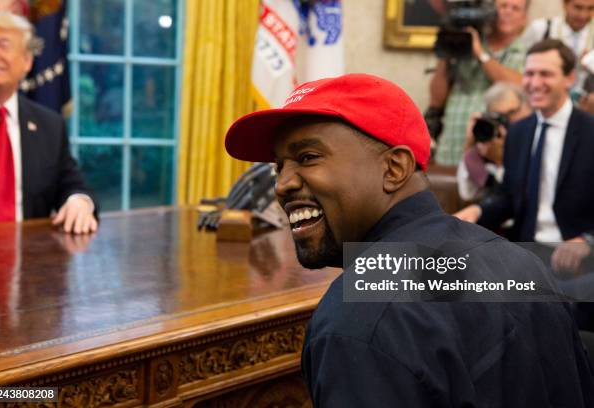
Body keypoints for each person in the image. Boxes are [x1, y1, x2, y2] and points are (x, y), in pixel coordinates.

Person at [224, 73, 594, 406]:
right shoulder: (521, 263)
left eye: (307, 157)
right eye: (278, 166)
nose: (282, 184)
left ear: (394, 168)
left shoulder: (357, 325)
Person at [455, 39, 594, 274]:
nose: (534, 83)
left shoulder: (590, 131)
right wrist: (477, 211)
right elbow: (510, 197)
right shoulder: (519, 132)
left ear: (569, 78)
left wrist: (587, 241)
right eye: (529, 74)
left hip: (580, 262)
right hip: (524, 253)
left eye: (545, 74)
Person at [0, 5, 97, 233]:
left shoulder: (49, 125)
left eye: (3, 45)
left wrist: (79, 201)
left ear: (27, 61)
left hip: (30, 257)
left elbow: (72, 185)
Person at [429, 0, 529, 165]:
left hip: (490, 151)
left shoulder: (526, 51)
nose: (508, 12)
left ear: (524, 18)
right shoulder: (468, 43)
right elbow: (436, 99)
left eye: (515, 8)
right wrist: (447, 52)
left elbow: (516, 85)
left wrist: (480, 53)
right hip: (450, 147)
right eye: (503, 6)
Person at [457, 81, 531, 202]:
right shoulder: (488, 146)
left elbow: (522, 195)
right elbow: (467, 193)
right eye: (499, 116)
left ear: (527, 108)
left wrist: (501, 161)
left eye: (512, 113)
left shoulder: (536, 139)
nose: (507, 121)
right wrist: (470, 143)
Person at [521, 0, 593, 97]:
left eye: (591, 8)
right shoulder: (542, 29)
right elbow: (522, 66)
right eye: (578, 8)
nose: (583, 15)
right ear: (565, 4)